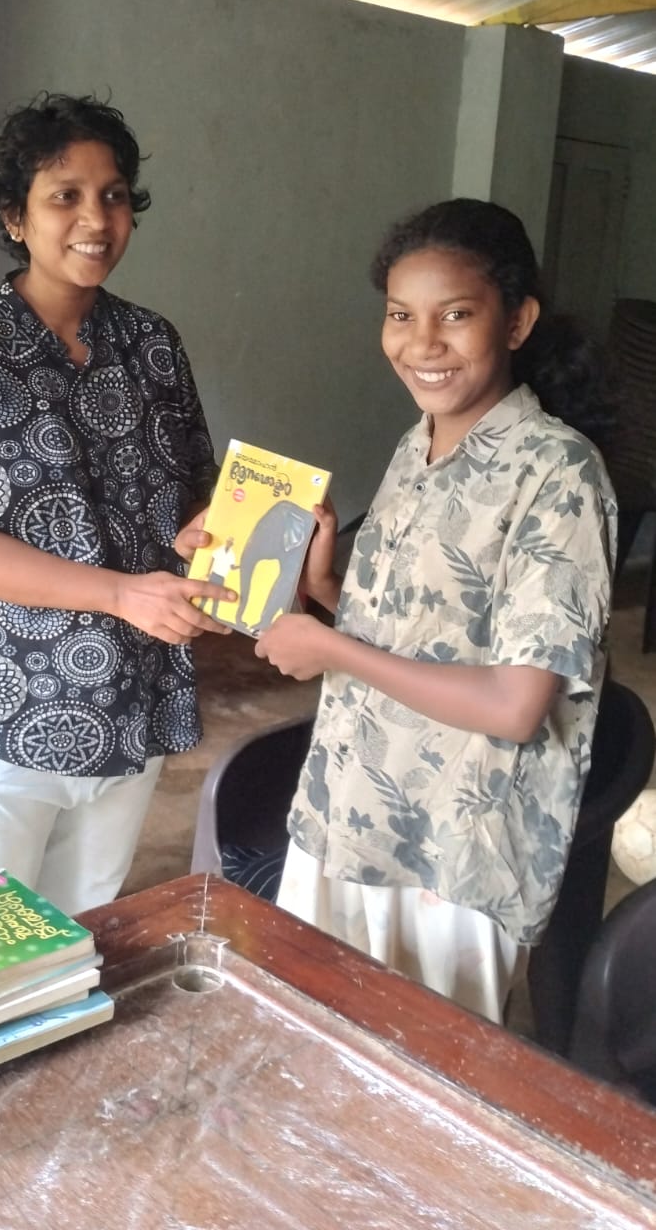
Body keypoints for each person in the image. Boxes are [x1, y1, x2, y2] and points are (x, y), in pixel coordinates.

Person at [255, 198, 617, 1023]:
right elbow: (428, 635)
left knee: (422, 1074)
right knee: (316, 1045)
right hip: (349, 811)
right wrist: (329, 591)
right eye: (401, 316)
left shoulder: (558, 475)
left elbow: (515, 703)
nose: (423, 343)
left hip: (452, 854)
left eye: (455, 315)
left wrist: (332, 650)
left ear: (517, 321)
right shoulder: (416, 444)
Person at [0, 92, 233, 914]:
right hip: (3, 711)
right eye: (64, 196)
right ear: (16, 216)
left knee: (85, 937)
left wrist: (226, 536)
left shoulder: (152, 345)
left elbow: (192, 497)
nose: (95, 219)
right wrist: (121, 593)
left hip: (132, 701)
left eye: (114, 195)